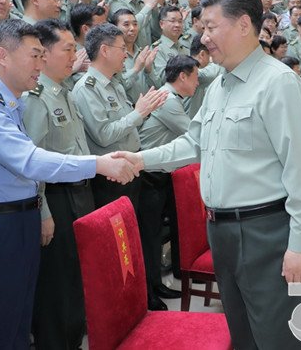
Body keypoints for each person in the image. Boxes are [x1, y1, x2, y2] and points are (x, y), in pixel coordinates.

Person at [115, 0, 301, 349]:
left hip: (266, 233)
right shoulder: (219, 85)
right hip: (222, 231)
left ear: (243, 25)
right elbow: (194, 143)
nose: (203, 36)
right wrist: (142, 159)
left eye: (211, 27)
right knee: (243, 336)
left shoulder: (279, 83)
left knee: (280, 338)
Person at [0, 19, 136, 349]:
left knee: (19, 318)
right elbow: (31, 160)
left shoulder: (12, 102)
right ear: (3, 56)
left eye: (42, 56)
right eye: (34, 56)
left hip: (20, 215)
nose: (40, 64)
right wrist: (98, 164)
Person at [22, 20, 93, 350]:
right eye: (67, 49)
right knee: (57, 286)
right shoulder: (36, 98)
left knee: (77, 278)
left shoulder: (64, 92)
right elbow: (31, 162)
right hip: (57, 199)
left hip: (81, 193)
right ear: (45, 54)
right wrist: (43, 211)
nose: (74, 56)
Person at [71, 23, 167, 212]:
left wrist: (141, 112)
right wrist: (138, 113)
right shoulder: (86, 89)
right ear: (105, 50)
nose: (126, 55)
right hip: (110, 178)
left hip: (130, 168)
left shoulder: (115, 84)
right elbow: (104, 135)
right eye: (122, 49)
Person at [138, 55, 200, 311]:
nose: (198, 82)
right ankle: (148, 292)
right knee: (148, 235)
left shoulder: (173, 98)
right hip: (149, 175)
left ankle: (156, 284)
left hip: (160, 174)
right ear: (182, 76)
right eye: (195, 77)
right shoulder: (167, 100)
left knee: (154, 234)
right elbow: (194, 135)